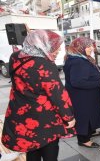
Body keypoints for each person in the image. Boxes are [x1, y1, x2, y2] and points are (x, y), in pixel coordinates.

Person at [1, 30, 76, 160]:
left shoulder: (15, 56)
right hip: (44, 118)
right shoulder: (44, 64)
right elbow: (58, 94)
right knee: (50, 150)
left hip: (21, 112)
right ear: (42, 45)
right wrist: (69, 117)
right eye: (54, 46)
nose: (58, 50)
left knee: (31, 148)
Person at [64, 37, 100, 148]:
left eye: (92, 45)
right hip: (82, 97)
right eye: (88, 46)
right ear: (80, 47)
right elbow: (78, 82)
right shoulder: (78, 61)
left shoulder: (79, 57)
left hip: (86, 95)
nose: (92, 48)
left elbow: (87, 74)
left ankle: (90, 131)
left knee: (91, 114)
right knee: (84, 116)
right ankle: (83, 139)